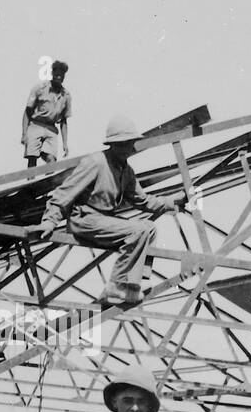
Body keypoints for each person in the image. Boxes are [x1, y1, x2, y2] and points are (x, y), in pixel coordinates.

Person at [31, 114, 187, 307]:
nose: (129, 148)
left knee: (150, 227)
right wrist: (50, 220)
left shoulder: (126, 171)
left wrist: (173, 201)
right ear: (114, 144)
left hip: (104, 219)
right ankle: (116, 286)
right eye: (125, 143)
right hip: (85, 219)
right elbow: (65, 193)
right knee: (138, 231)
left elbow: (143, 201)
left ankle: (134, 284)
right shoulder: (96, 162)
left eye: (130, 143)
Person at [22, 60, 71, 167]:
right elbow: (27, 112)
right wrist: (24, 134)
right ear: (52, 73)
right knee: (32, 157)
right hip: (36, 125)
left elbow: (64, 121)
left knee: (51, 159)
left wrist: (65, 143)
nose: (59, 77)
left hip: (51, 128)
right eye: (56, 74)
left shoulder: (66, 95)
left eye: (61, 75)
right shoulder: (40, 88)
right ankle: (31, 182)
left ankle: (49, 182)